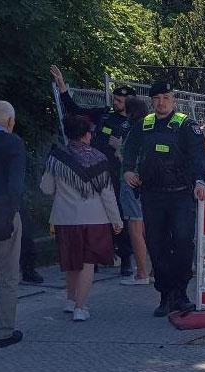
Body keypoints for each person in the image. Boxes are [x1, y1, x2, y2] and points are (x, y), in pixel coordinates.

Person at [122, 81, 205, 317]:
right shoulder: (144, 125)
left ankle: (180, 294)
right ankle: (165, 295)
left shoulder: (185, 125)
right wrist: (128, 170)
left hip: (181, 194)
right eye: (157, 98)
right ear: (152, 101)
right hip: (153, 195)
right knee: (157, 246)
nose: (162, 102)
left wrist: (200, 181)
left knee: (182, 244)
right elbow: (128, 149)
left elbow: (197, 158)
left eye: (166, 97)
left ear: (173, 99)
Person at [50, 65, 135, 275]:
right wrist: (62, 87)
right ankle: (93, 260)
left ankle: (125, 259)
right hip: (93, 170)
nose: (115, 103)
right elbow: (76, 110)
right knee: (94, 213)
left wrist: (122, 147)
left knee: (119, 213)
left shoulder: (135, 123)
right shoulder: (105, 114)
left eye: (120, 101)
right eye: (115, 99)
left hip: (117, 173)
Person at [41, 115, 123, 320]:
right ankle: (80, 307)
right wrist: (116, 220)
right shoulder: (98, 158)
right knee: (87, 262)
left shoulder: (56, 157)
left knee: (70, 261)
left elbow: (46, 188)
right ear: (88, 134)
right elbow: (107, 193)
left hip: (65, 218)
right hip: (94, 218)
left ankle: (70, 300)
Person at [0, 100, 26, 348]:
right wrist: (11, 212)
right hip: (3, 212)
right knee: (9, 273)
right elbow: (16, 184)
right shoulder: (13, 143)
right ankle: (2, 332)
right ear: (9, 122)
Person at [118, 95, 151, 286]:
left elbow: (123, 155)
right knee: (149, 230)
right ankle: (154, 270)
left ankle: (141, 273)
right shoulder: (151, 128)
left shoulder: (132, 130)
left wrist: (117, 148)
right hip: (148, 184)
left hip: (132, 183)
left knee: (135, 230)